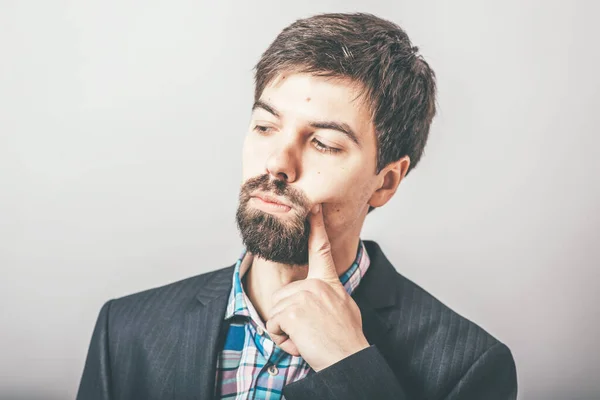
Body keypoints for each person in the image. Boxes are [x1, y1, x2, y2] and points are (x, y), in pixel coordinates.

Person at [77, 12, 517, 400]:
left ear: (385, 183)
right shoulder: (126, 330)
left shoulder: (469, 368)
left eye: (324, 143)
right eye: (266, 126)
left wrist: (349, 364)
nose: (277, 163)